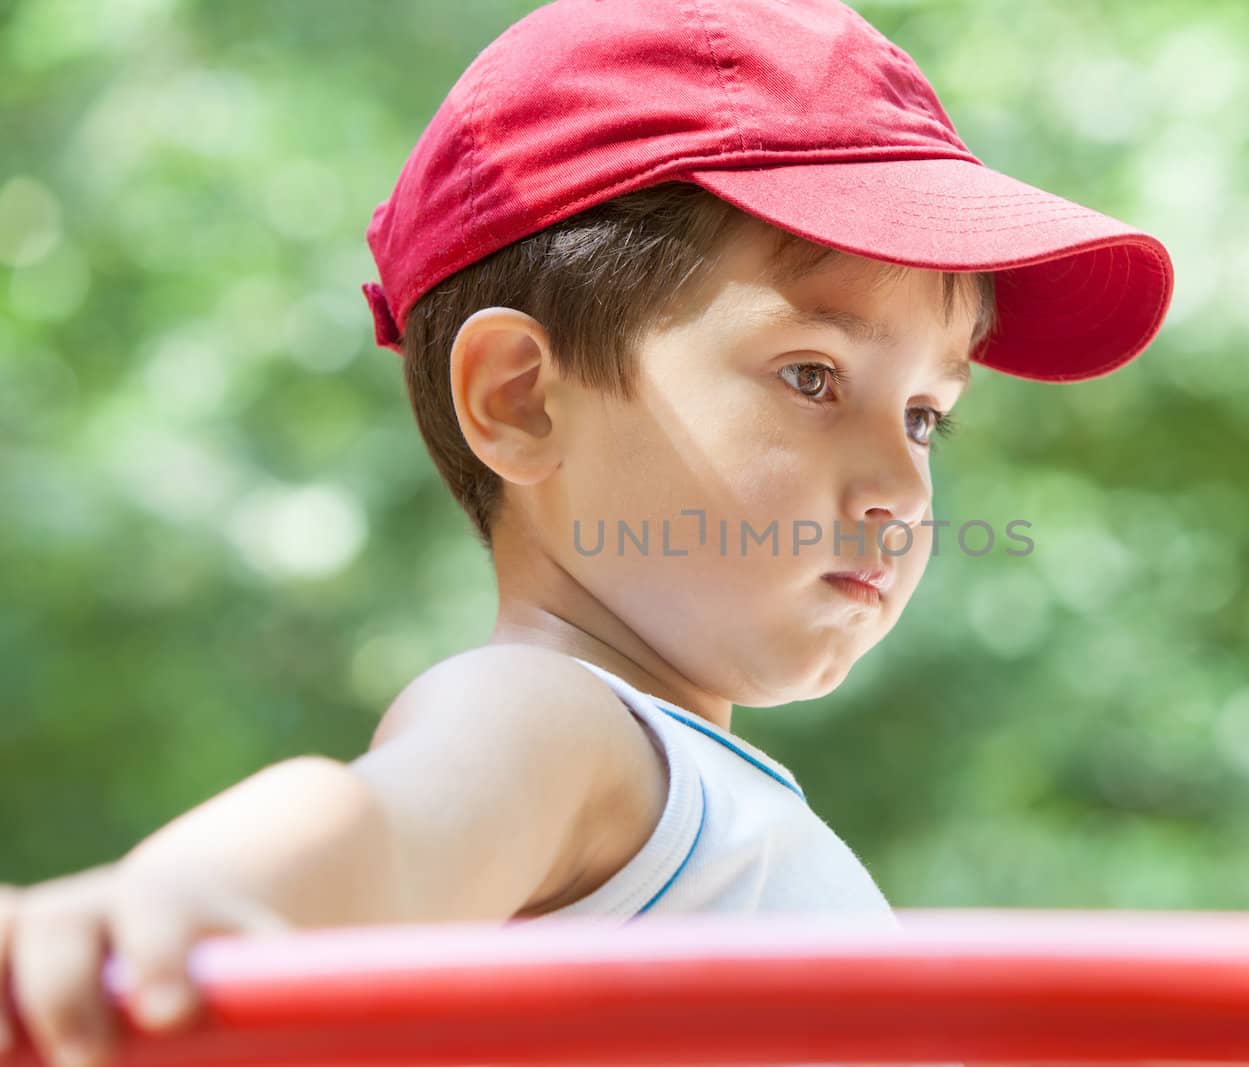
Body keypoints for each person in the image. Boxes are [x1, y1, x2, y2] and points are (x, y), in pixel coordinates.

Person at [0, 1, 1173, 1066]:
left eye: (926, 415)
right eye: (812, 374)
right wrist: (173, 904)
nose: (900, 489)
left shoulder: (697, 799)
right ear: (521, 395)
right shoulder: (566, 723)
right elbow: (388, 825)